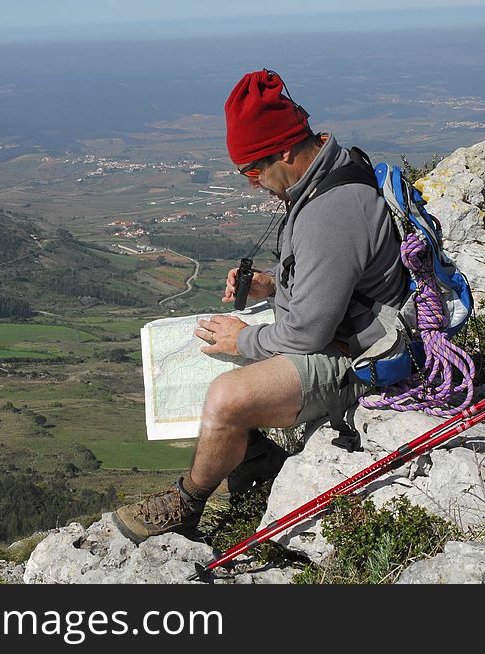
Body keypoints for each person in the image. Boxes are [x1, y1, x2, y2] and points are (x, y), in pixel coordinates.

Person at [112, 69, 408, 544]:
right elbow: (333, 279)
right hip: (338, 330)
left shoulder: (328, 212)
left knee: (226, 395)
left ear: (287, 150)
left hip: (360, 358)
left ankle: (186, 505)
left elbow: (308, 334)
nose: (253, 184)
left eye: (253, 171)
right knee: (208, 359)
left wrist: (243, 338)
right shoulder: (326, 174)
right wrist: (273, 287)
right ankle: (258, 467)